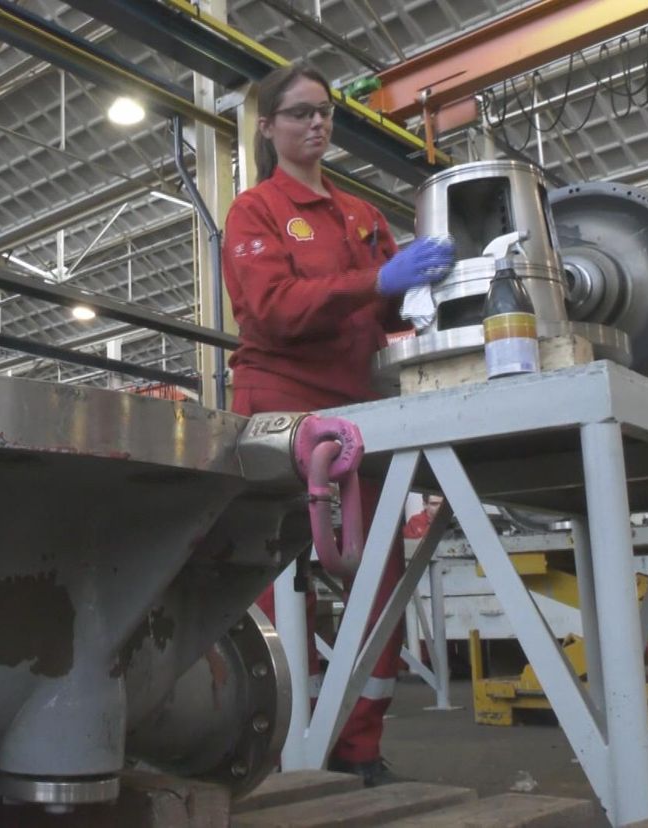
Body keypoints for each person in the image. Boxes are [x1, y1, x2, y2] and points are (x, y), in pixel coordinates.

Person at [222, 63, 454, 786]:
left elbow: (385, 309)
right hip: (283, 411)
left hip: (364, 414)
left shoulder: (362, 216)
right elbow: (273, 310)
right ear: (268, 127)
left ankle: (357, 746)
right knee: (270, 584)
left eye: (324, 112)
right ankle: (268, 739)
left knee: (380, 580)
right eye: (298, 114)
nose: (316, 124)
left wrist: (418, 289)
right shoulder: (256, 211)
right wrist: (376, 283)